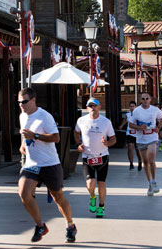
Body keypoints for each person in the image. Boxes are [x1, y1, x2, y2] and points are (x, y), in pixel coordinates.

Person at [18, 88, 77, 243]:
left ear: (33, 100)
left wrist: (35, 136)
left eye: (24, 101)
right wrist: (23, 145)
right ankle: (40, 225)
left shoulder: (45, 116)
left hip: (50, 164)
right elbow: (24, 137)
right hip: (32, 164)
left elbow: (56, 138)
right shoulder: (22, 116)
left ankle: (70, 225)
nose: (21, 105)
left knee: (58, 197)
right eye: (19, 102)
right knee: (23, 193)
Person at [74, 98, 116, 218]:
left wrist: (107, 143)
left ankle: (101, 206)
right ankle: (92, 197)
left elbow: (113, 138)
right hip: (88, 157)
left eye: (95, 105)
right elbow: (76, 132)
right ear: (87, 108)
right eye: (90, 106)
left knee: (101, 184)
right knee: (90, 183)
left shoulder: (106, 122)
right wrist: (78, 145)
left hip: (102, 156)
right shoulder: (81, 120)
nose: (92, 108)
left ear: (99, 107)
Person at [129, 92, 162, 196]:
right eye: (143, 99)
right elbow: (131, 124)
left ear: (150, 99)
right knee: (145, 162)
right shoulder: (137, 111)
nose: (145, 100)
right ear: (140, 100)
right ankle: (149, 183)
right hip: (141, 139)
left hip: (152, 137)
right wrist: (140, 128)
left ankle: (154, 180)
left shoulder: (155, 109)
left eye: (147, 98)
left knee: (151, 159)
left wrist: (159, 127)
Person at [119, 101, 143, 171]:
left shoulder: (139, 115)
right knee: (130, 148)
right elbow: (125, 120)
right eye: (131, 106)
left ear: (135, 107)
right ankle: (131, 163)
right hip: (129, 133)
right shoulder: (128, 114)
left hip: (137, 134)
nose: (132, 108)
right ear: (129, 107)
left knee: (137, 149)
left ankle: (140, 162)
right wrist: (121, 125)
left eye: (133, 106)